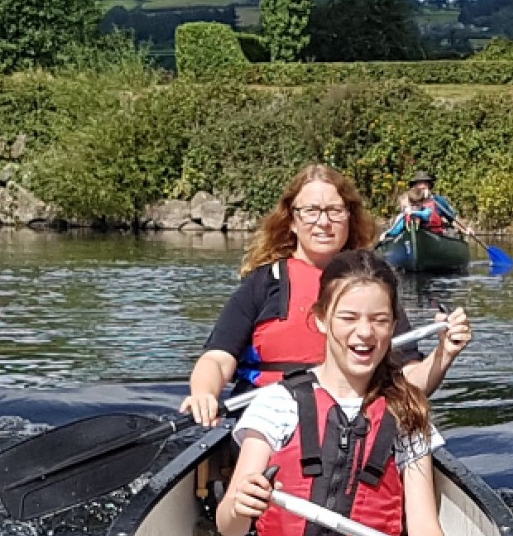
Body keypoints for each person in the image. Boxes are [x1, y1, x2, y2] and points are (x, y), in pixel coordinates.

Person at [166, 250, 464, 536]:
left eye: (379, 320)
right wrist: (242, 503)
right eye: (349, 318)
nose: (365, 333)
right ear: (322, 320)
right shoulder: (276, 404)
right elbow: (229, 527)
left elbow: (425, 534)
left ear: (394, 326)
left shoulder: (407, 414)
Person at [181, 164, 472, 427]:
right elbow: (217, 358)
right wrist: (204, 393)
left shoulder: (374, 284)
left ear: (349, 218)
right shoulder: (264, 282)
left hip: (349, 425)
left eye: (335, 211)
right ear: (292, 221)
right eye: (311, 211)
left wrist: (444, 354)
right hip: (266, 422)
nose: (323, 222)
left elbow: (411, 380)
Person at [380, 169, 476, 245]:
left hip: (436, 236)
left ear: (429, 186)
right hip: (409, 236)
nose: (422, 187)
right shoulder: (407, 200)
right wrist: (388, 233)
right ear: (414, 187)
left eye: (425, 184)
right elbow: (400, 220)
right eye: (419, 184)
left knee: (451, 233)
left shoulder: (438, 201)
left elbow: (453, 219)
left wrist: (465, 229)